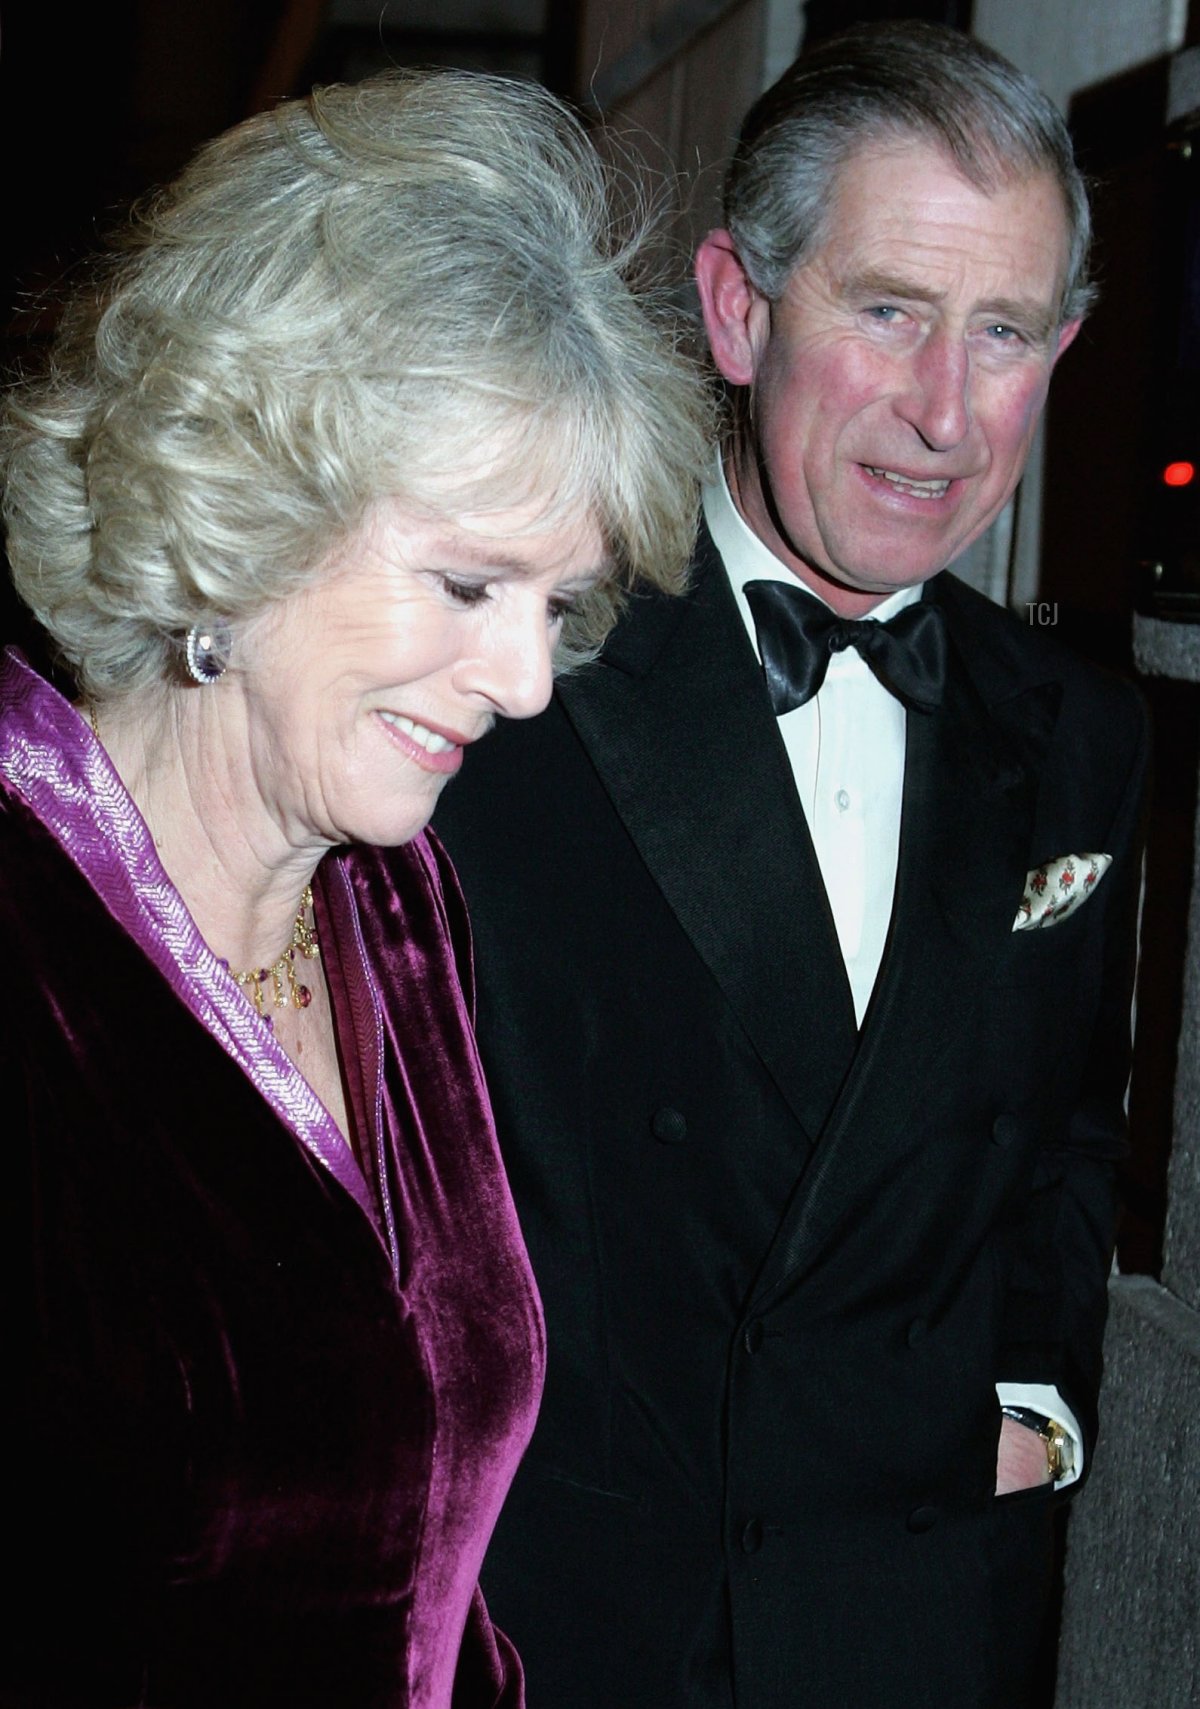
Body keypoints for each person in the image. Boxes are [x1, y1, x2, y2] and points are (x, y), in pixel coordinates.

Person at [434, 21, 1150, 1708]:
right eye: (889, 311)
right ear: (739, 310)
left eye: (1007, 334)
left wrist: (1042, 1412)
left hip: (916, 1622)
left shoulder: (1079, 736)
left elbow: (1063, 1136)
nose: (945, 415)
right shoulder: (516, 676)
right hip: (581, 1625)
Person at [2, 68, 708, 1709]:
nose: (528, 683)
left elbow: (432, 1576)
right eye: (469, 582)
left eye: (556, 602)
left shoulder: (399, 913)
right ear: (246, 503)